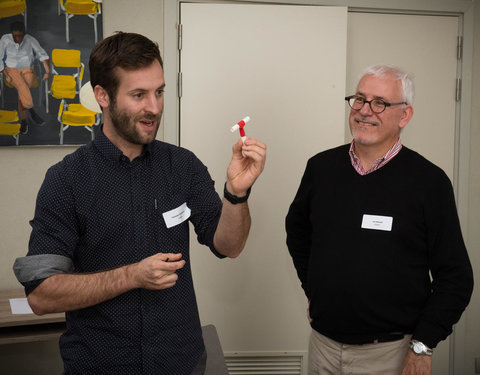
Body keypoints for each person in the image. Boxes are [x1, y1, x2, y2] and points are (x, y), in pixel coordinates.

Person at [13, 32, 266, 374]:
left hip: (181, 363)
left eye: (159, 92)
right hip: (100, 365)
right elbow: (42, 296)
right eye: (138, 95)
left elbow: (229, 245)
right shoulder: (66, 180)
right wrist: (132, 275)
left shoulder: (183, 166)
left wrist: (236, 193)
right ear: (103, 95)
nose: (155, 107)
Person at [285, 65, 473, 375]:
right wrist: (315, 289)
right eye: (359, 99)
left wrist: (423, 344)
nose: (364, 111)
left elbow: (455, 276)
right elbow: (298, 233)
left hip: (391, 355)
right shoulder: (321, 168)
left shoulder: (429, 182)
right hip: (323, 348)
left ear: (405, 115)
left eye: (379, 103)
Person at [0, 21, 49, 134]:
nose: (18, 39)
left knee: (23, 88)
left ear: (24, 33)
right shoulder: (5, 39)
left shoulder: (29, 39)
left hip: (27, 70)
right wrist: (6, 74)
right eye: (15, 36)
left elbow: (42, 54)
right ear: (12, 34)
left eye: (20, 36)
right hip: (11, 70)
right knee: (22, 85)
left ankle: (25, 119)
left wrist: (47, 71)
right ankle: (30, 112)